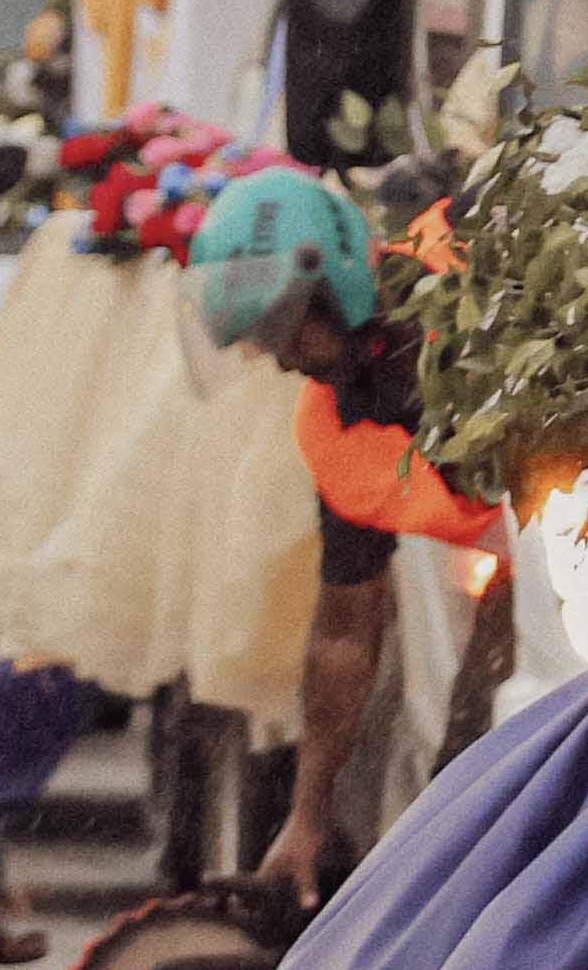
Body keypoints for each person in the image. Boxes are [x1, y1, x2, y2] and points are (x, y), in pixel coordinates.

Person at [190, 168, 502, 906]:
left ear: (329, 279)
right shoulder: (333, 425)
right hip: (503, 582)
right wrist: (305, 818)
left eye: (281, 324)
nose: (279, 354)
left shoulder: (483, 264)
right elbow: (344, 633)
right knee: (465, 771)